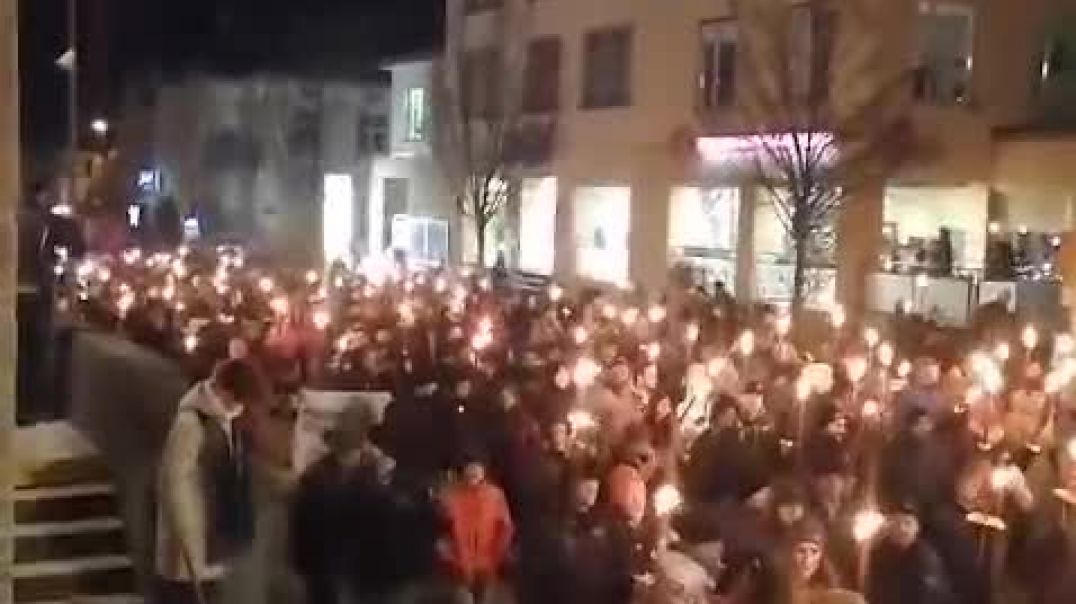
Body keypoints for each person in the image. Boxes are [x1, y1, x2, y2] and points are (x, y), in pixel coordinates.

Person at [155, 359, 265, 604]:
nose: (239, 407)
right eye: (237, 399)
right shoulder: (191, 423)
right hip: (191, 547)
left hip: (212, 540)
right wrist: (190, 548)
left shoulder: (223, 418)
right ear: (225, 390)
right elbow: (175, 485)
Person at [439, 455, 515, 603]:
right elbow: (443, 531)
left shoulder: (495, 495)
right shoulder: (452, 497)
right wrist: (451, 557)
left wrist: (497, 555)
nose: (473, 471)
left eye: (477, 467)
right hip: (460, 568)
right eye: (470, 467)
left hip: (487, 565)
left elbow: (505, 528)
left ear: (484, 470)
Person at [867, 503, 953, 604]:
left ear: (917, 528)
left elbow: (927, 595)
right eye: (897, 523)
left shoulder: (925, 558)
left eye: (908, 523)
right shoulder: (879, 552)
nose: (902, 529)